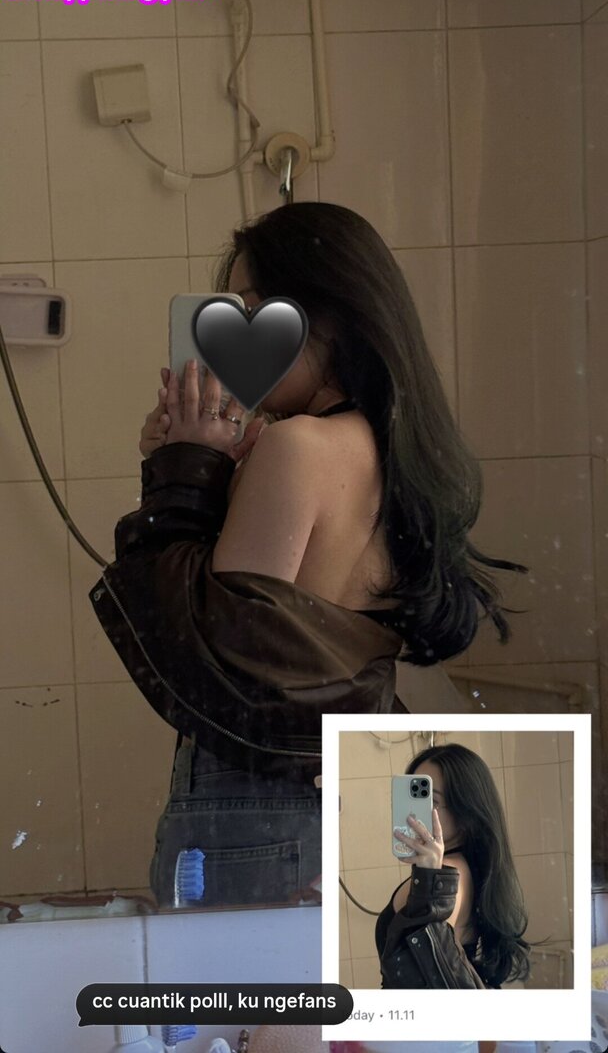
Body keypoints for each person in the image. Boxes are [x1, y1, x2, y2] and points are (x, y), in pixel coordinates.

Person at [89, 202, 526, 910]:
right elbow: (276, 626)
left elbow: (218, 658)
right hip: (321, 800)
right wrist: (202, 467)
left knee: (230, 989)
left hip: (254, 805)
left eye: (254, 310)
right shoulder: (389, 451)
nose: (236, 338)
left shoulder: (296, 448)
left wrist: (183, 473)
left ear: (329, 317)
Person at [375, 743, 531, 989]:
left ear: (465, 810)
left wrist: (430, 879)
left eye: (432, 800)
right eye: (415, 795)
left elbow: (440, 983)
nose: (415, 812)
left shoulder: (448, 875)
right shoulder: (465, 867)